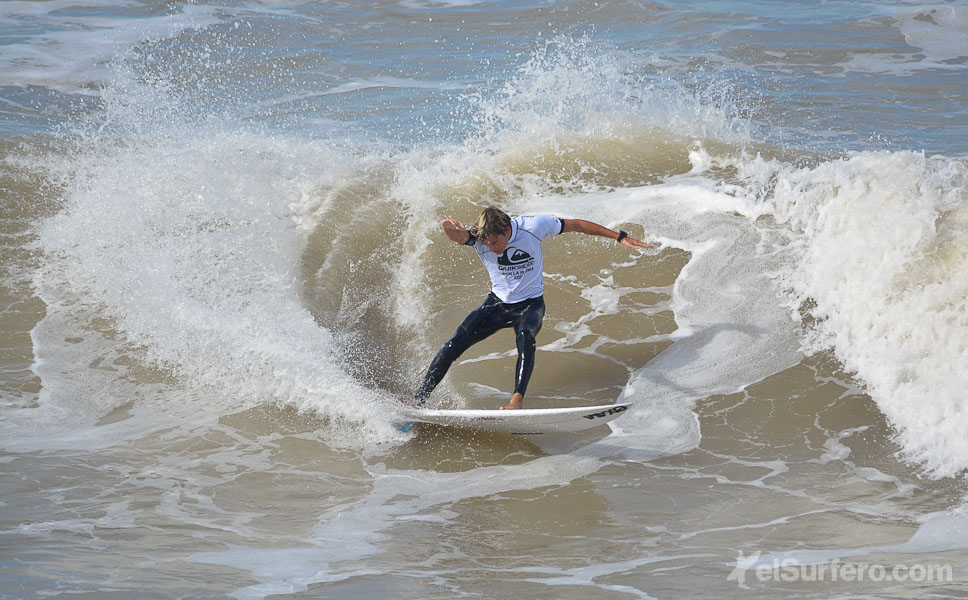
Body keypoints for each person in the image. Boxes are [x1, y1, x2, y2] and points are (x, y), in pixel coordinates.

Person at [414, 206, 653, 410]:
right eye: (487, 244)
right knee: (453, 345)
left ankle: (517, 400)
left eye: (496, 242)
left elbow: (577, 224)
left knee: (525, 336)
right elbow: (456, 236)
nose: (493, 249)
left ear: (507, 230)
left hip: (530, 304)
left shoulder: (534, 226)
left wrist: (619, 237)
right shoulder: (479, 238)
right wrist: (448, 227)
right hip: (496, 304)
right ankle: (420, 400)